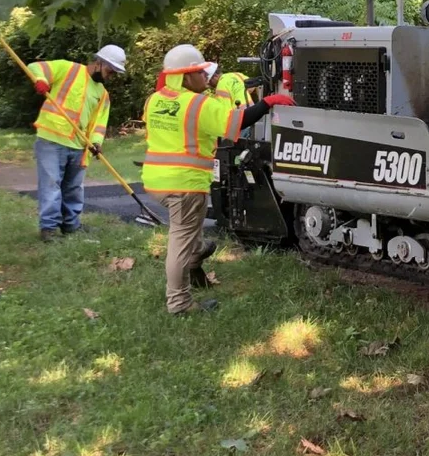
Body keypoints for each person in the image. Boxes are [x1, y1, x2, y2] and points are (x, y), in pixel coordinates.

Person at [142, 44, 292, 315]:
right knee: (181, 240)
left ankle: (197, 255)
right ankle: (179, 303)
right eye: (200, 72)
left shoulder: (155, 99)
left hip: (156, 181)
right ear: (186, 76)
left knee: (188, 232)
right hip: (184, 184)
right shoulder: (197, 104)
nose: (206, 76)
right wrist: (267, 103)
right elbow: (235, 122)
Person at [27, 45, 127, 242]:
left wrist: (96, 142)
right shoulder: (68, 69)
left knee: (73, 188)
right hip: (52, 138)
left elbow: (99, 123)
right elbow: (35, 67)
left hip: (80, 145)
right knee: (51, 184)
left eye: (115, 73)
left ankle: (71, 226)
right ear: (99, 63)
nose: (111, 76)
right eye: (110, 71)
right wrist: (41, 80)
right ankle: (49, 229)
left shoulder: (103, 94)